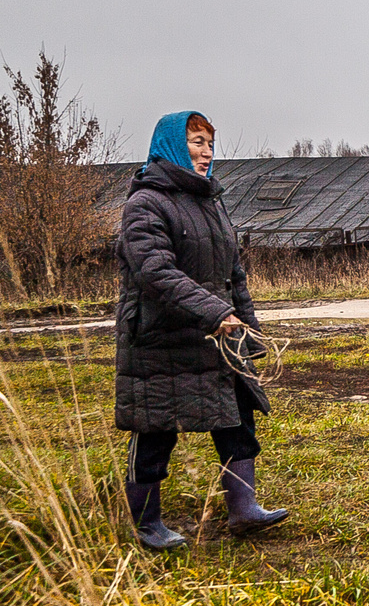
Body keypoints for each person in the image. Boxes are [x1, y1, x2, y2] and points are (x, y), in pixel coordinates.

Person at [114, 110, 288, 550]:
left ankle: (243, 510)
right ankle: (146, 523)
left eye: (210, 143)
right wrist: (213, 312)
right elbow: (155, 272)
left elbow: (233, 274)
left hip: (216, 336)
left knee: (236, 419)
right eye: (196, 142)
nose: (207, 153)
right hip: (160, 337)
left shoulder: (211, 202)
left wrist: (247, 329)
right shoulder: (145, 203)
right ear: (171, 144)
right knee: (155, 429)